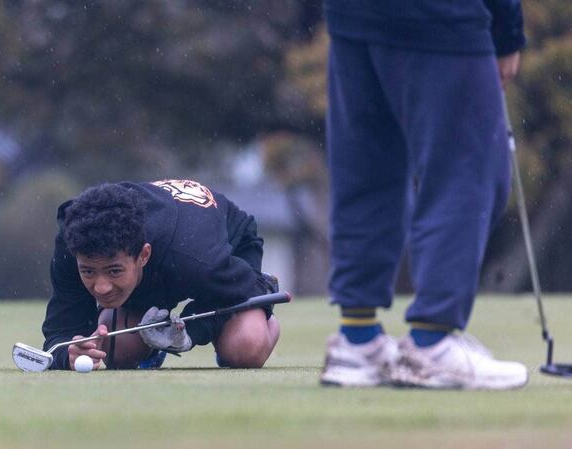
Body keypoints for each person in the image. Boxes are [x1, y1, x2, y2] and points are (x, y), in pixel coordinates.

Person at [319, 0, 529, 389]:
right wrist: (507, 30)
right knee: (465, 171)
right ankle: (432, 343)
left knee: (367, 172)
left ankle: (357, 339)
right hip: (440, 15)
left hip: (352, 15)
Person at [41, 179, 281, 370]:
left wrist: (191, 331)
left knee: (244, 346)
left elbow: (251, 285)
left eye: (114, 271)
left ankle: (260, 326)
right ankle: (150, 352)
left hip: (224, 252)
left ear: (143, 255)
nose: (101, 287)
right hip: (167, 260)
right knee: (117, 349)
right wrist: (68, 354)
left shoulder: (199, 261)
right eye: (88, 271)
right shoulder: (74, 241)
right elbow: (60, 332)